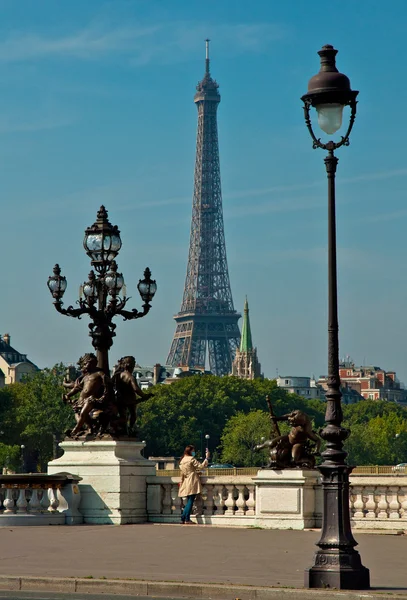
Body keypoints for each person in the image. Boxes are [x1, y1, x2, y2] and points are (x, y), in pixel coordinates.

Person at [178, 445, 210, 524]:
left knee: (189, 500)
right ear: (190, 451)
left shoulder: (182, 461)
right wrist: (206, 458)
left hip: (186, 481)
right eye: (193, 450)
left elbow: (182, 473)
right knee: (191, 500)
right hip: (192, 480)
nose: (193, 452)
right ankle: (186, 518)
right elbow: (201, 466)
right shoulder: (191, 459)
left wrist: (181, 483)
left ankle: (183, 518)